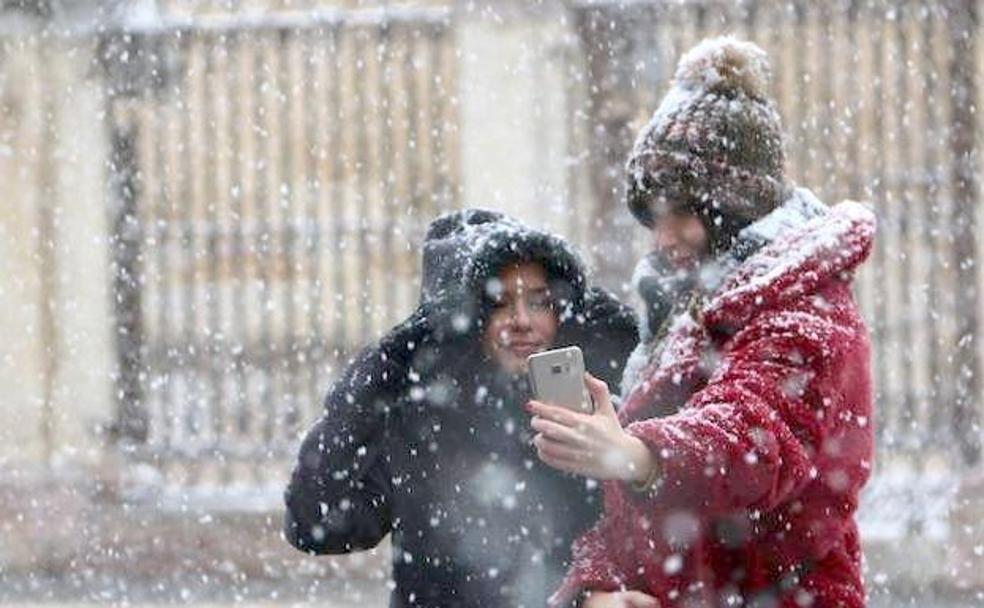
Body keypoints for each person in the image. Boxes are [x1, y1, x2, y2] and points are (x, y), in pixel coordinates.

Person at [527, 37, 876, 607]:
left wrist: (639, 454)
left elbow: (753, 440)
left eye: (681, 213)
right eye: (652, 217)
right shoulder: (692, 316)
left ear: (736, 207)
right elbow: (628, 521)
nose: (662, 240)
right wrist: (596, 594)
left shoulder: (808, 313)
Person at [283, 209, 638, 607]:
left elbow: (646, 535)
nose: (522, 320)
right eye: (499, 304)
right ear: (465, 319)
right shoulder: (418, 423)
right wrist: (372, 383)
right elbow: (318, 524)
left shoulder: (596, 411)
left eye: (540, 302)